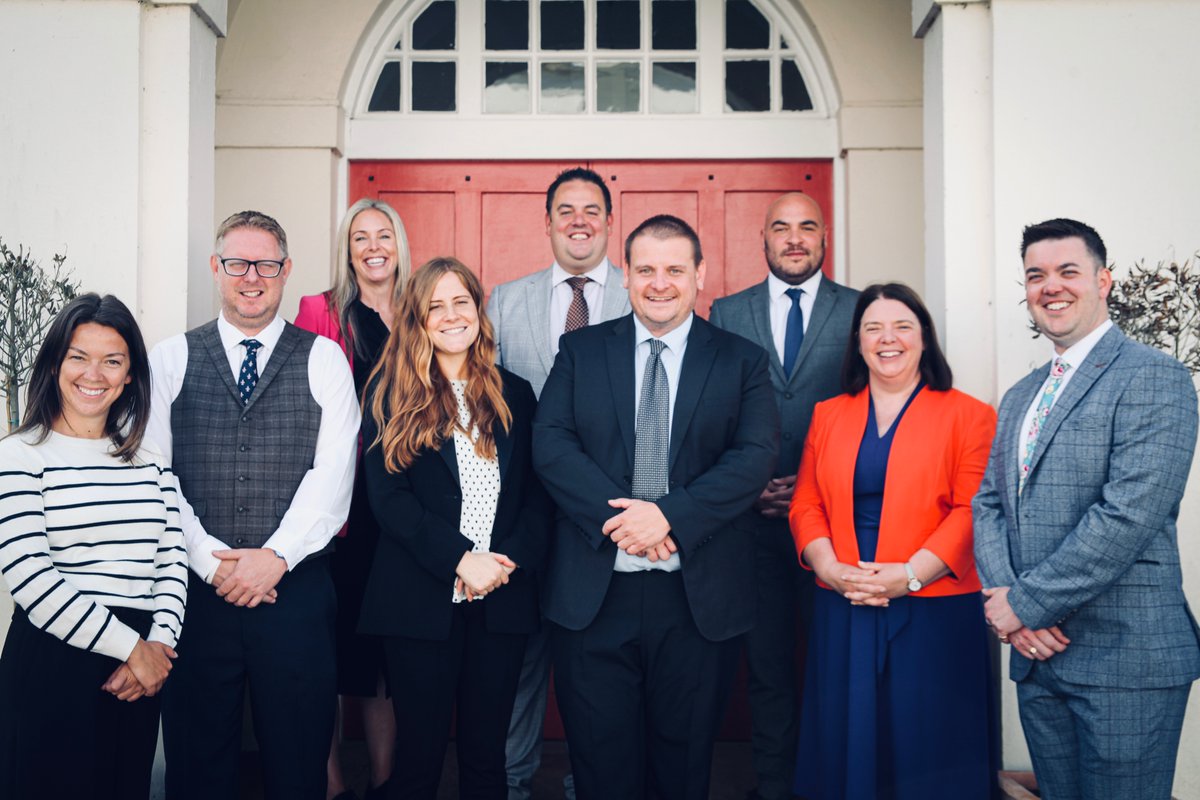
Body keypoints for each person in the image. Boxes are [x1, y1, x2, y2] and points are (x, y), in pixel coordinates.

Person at [534, 214, 780, 800]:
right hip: (595, 597)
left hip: (696, 601)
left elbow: (753, 457)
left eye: (675, 269)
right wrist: (626, 523)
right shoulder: (581, 350)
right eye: (645, 269)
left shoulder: (741, 360)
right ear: (627, 278)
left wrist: (669, 516)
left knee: (683, 769)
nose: (659, 283)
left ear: (700, 274)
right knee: (600, 770)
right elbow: (551, 444)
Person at [973, 218, 1200, 800]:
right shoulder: (1022, 394)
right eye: (1036, 275)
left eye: (1067, 271)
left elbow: (1126, 516)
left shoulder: (1156, 378)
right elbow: (990, 503)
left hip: (1126, 661)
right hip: (1038, 659)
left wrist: (1021, 605)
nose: (1051, 285)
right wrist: (1006, 600)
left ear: (1104, 281)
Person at [152, 210, 360, 800]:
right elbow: (157, 474)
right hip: (196, 595)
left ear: (286, 270)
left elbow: (333, 477)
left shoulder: (324, 359)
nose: (252, 277)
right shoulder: (171, 358)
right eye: (238, 263)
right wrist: (210, 562)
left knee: (298, 764)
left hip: (294, 593)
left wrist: (275, 556)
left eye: (266, 264)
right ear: (216, 269)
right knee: (197, 764)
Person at [789, 282, 997, 800]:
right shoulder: (829, 413)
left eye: (902, 326)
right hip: (844, 598)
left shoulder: (969, 414)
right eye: (873, 328)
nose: (889, 339)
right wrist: (830, 569)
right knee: (846, 740)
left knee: (929, 744)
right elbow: (805, 503)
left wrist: (908, 576)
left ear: (924, 337)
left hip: (933, 605)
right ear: (857, 342)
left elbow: (973, 510)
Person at [357, 257, 550, 800]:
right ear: (417, 320)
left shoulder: (517, 394)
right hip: (419, 601)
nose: (450, 315)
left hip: (502, 601)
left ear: (478, 308)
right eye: (434, 306)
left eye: (460, 301)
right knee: (418, 759)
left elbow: (537, 496)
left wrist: (503, 564)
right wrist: (461, 559)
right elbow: (388, 500)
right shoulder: (388, 394)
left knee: (488, 756)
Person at [0, 293, 188, 799]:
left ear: (130, 375)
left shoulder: (148, 457)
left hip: (139, 670)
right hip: (55, 661)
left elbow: (173, 558)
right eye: (79, 357)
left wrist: (159, 648)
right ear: (56, 362)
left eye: (113, 360)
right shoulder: (18, 455)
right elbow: (31, 579)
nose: (94, 374)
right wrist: (133, 649)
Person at [708, 190, 857, 800]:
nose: (795, 238)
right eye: (781, 227)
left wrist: (812, 487)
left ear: (824, 238)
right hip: (752, 525)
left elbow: (869, 408)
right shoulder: (726, 311)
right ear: (762, 239)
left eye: (807, 227)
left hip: (836, 524)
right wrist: (749, 485)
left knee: (835, 667)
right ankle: (774, 788)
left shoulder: (859, 311)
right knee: (766, 669)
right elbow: (713, 412)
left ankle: (832, 783)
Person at [486, 165, 629, 799]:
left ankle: (587, 784)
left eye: (591, 209)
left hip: (605, 518)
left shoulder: (638, 296)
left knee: (594, 670)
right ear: (546, 223)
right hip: (520, 517)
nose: (579, 220)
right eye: (565, 210)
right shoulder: (503, 300)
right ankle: (511, 783)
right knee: (517, 663)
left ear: (608, 220)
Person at [296, 197, 412, 800]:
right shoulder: (321, 310)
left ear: (398, 244)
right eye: (360, 236)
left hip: (401, 501)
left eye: (383, 234)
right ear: (348, 247)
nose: (373, 246)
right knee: (329, 655)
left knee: (383, 659)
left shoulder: (422, 309)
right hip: (341, 502)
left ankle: (386, 784)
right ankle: (334, 786)